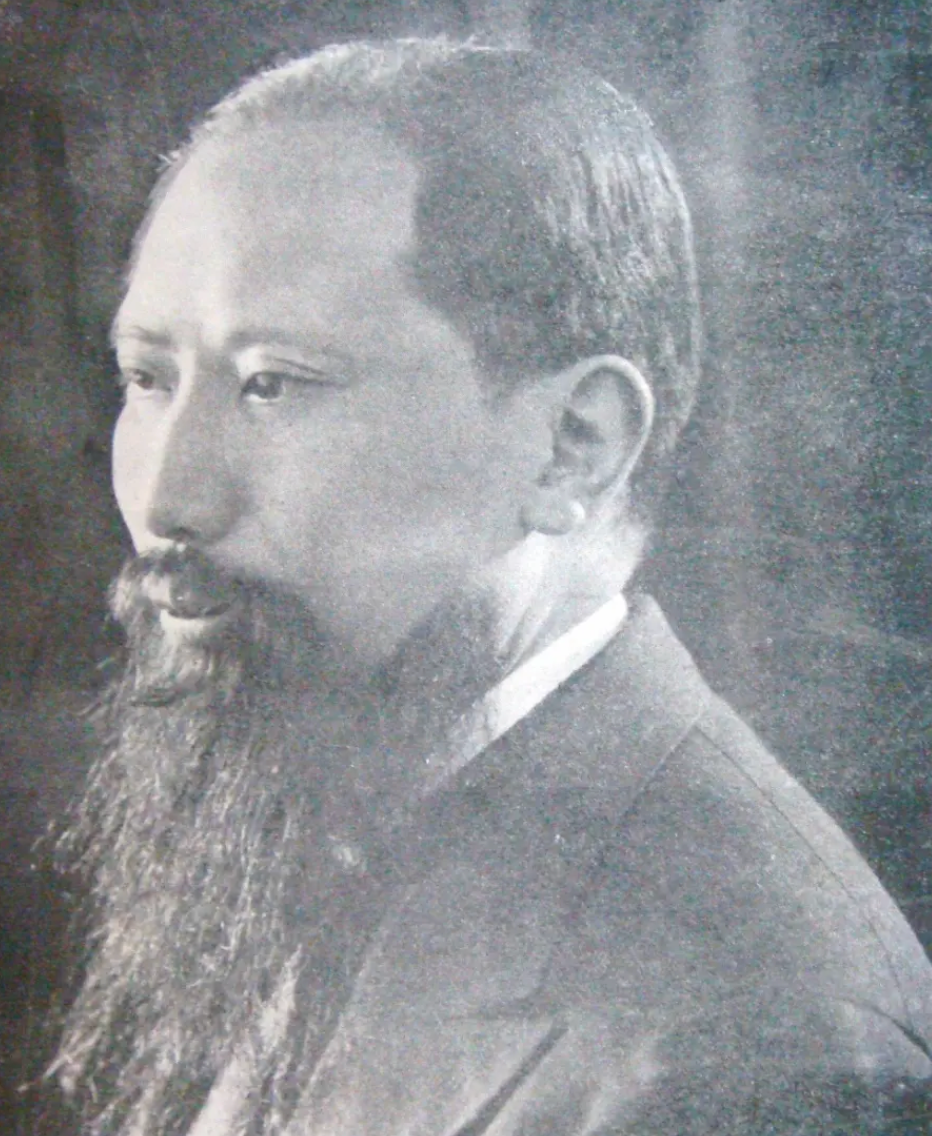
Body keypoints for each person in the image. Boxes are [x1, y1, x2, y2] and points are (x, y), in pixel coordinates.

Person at [52, 37, 932, 1136]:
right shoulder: (288, 810)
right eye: (148, 377)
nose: (167, 498)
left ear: (573, 446)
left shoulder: (761, 1040)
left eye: (273, 384)